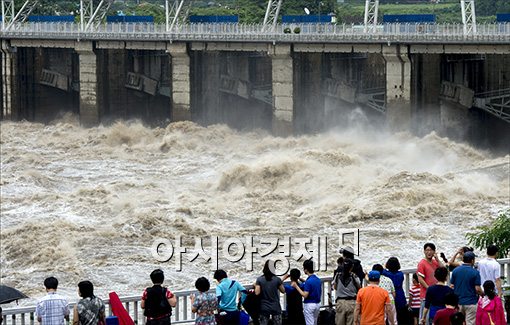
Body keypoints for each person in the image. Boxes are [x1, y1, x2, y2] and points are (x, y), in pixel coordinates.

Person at [450, 251, 482, 325]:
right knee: (470, 322)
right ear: (472, 260)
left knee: (458, 323)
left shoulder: (455, 271)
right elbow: (477, 289)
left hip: (458, 302)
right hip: (471, 302)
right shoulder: (475, 272)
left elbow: (452, 285)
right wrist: (483, 294)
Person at [417, 243, 444, 321]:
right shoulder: (422, 263)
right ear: (424, 252)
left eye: (431, 250)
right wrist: (429, 289)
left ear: (434, 251)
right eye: (427, 250)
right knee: (425, 317)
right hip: (426, 295)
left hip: (436, 294)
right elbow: (420, 279)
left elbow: (443, 270)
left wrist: (437, 259)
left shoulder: (435, 262)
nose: (429, 252)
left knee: (434, 318)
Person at [255, 260, 286, 325]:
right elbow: (283, 291)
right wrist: (280, 281)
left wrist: (255, 285)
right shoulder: (277, 279)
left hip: (264, 307)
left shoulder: (259, 279)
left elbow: (257, 293)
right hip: (276, 307)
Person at [292, 260, 321, 325]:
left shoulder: (308, 282)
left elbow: (305, 295)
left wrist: (296, 286)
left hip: (309, 305)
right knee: (314, 322)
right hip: (317, 304)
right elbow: (311, 286)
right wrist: (303, 281)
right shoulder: (317, 279)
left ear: (306, 270)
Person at [334, 258, 360, 325]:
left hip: (340, 303)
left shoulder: (337, 275)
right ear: (351, 267)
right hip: (352, 303)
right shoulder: (354, 276)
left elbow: (335, 287)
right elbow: (359, 288)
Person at [383, 257, 408, 325]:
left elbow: (383, 270)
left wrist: (385, 266)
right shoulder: (400, 274)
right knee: (401, 316)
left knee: (391, 315)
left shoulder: (387, 274)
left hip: (391, 295)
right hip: (400, 295)